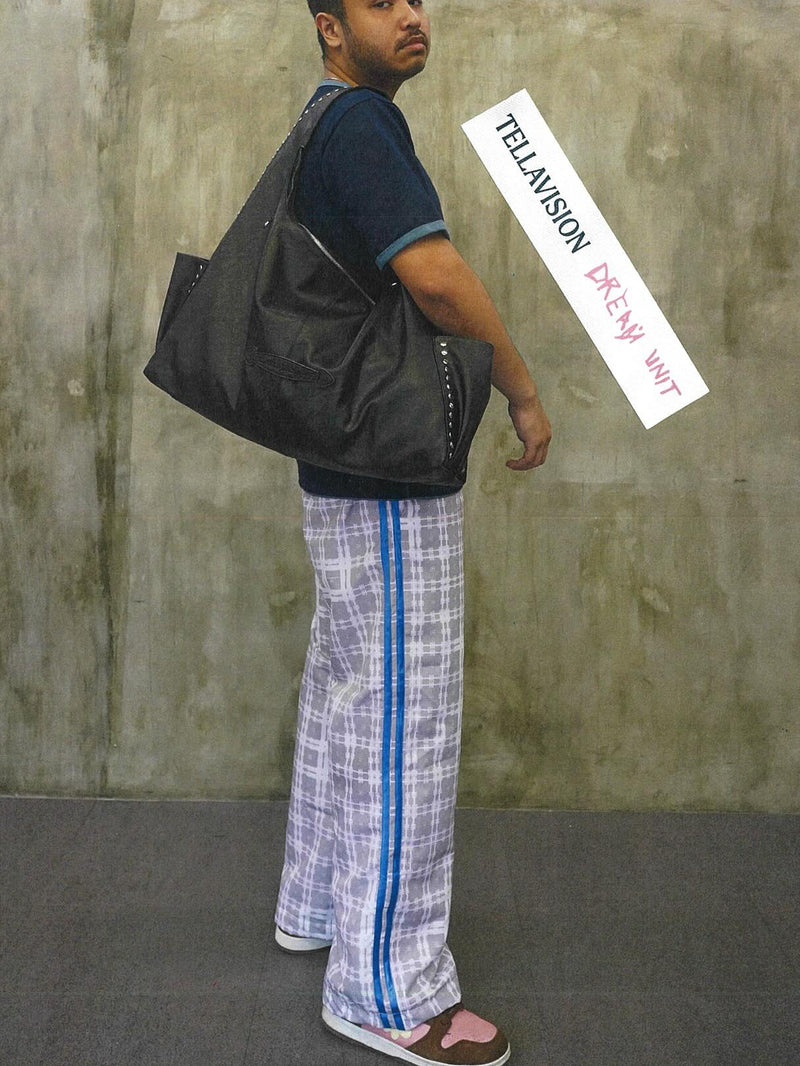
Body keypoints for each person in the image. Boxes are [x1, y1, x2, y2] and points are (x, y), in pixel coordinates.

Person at [274, 3, 552, 1063]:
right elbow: (431, 276)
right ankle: (388, 989)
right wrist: (519, 391)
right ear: (326, 27)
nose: (410, 13)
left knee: (350, 685)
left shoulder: (323, 119)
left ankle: (315, 904)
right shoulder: (362, 128)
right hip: (387, 469)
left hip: (340, 461)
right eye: (380, 0)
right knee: (403, 715)